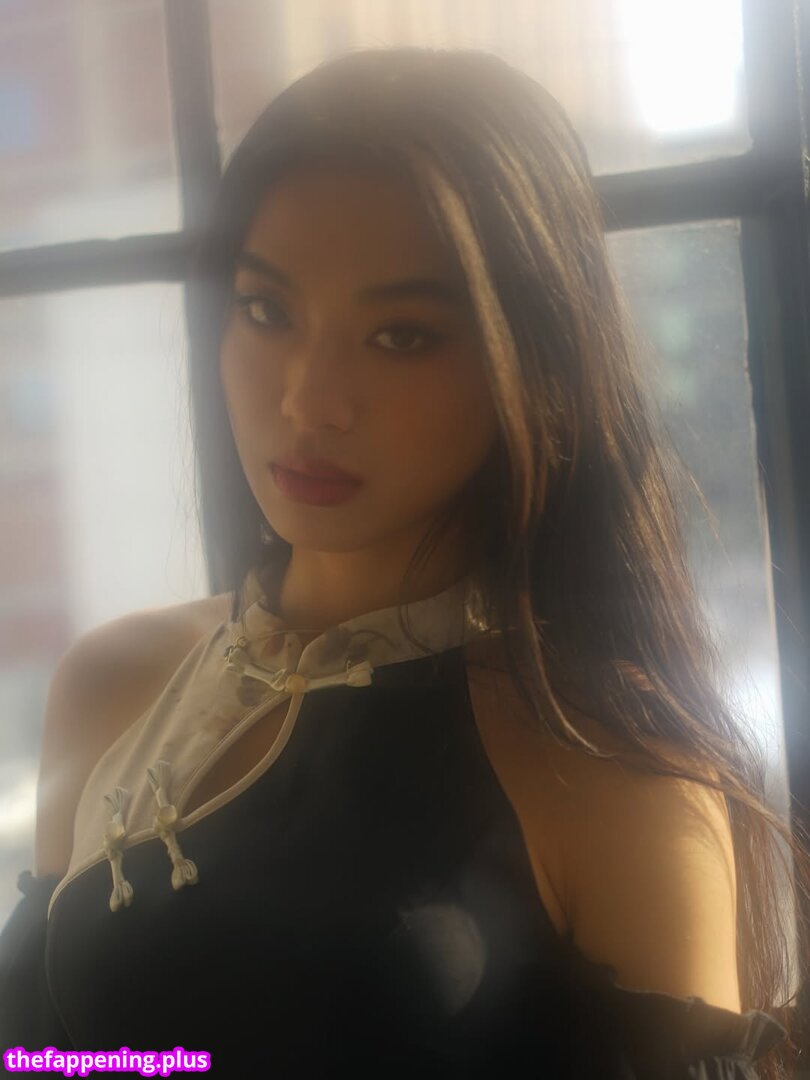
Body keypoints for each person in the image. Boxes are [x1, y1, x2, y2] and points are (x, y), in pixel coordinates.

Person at [1, 45, 807, 1078]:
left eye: (401, 336)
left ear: (536, 363)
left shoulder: (610, 767)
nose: (308, 401)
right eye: (266, 310)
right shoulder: (113, 684)